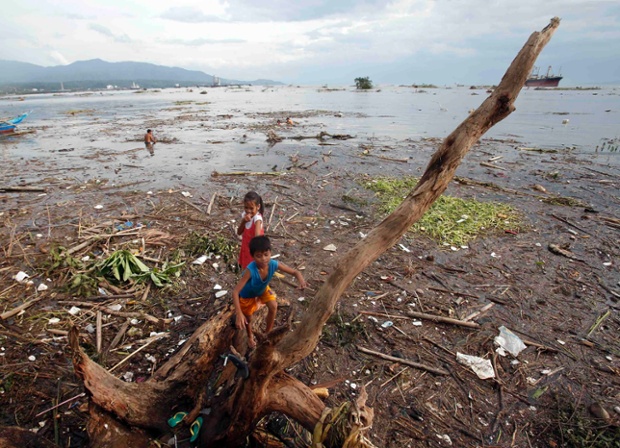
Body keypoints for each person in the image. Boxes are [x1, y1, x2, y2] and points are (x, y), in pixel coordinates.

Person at [232, 236, 306, 347]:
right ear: (252, 256)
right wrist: (238, 314)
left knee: (273, 306)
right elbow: (235, 292)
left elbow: (295, 272)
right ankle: (250, 336)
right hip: (247, 295)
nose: (263, 259)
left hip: (262, 289)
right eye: (259, 256)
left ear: (270, 253)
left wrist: (301, 280)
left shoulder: (273, 264)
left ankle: (267, 333)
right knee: (248, 318)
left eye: (266, 255)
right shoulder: (250, 270)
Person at [237, 191, 265, 270]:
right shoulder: (245, 216)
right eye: (246, 208)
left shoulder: (257, 220)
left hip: (255, 250)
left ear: (258, 207)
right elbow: (239, 232)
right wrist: (244, 221)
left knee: (253, 270)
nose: (248, 211)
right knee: (246, 267)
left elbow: (257, 239)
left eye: (251, 208)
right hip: (246, 247)